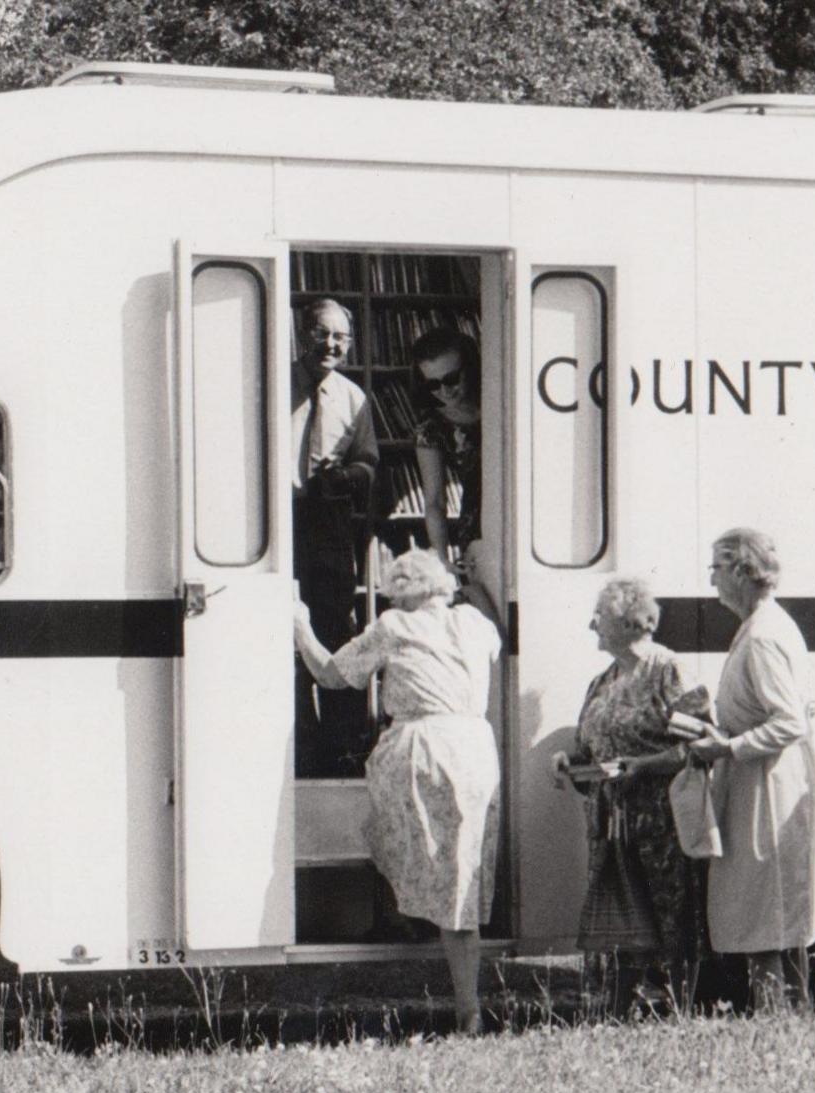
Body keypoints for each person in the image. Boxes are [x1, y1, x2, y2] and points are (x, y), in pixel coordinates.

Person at [293, 549, 502, 1034]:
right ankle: (462, 995)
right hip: (474, 749)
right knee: (461, 868)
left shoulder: (393, 626)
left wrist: (300, 624)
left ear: (399, 589)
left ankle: (405, 921)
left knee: (398, 840)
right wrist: (477, 586)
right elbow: (497, 632)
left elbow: (330, 674)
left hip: (423, 747)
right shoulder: (474, 620)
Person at [550, 577, 708, 1008]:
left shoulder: (668, 671)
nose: (590, 625)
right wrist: (570, 763)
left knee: (669, 912)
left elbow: (699, 743)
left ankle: (683, 1006)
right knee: (619, 912)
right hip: (610, 821)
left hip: (660, 816)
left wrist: (645, 767)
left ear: (627, 620)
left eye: (599, 617)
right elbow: (588, 745)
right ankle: (619, 1008)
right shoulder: (603, 680)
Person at [686, 528, 815, 1012]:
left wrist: (728, 746)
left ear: (743, 572)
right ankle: (787, 1010)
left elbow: (789, 719)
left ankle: (776, 1016)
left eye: (718, 569)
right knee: (768, 902)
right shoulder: (765, 626)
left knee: (763, 902)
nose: (712, 580)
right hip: (762, 778)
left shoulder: (763, 635)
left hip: (766, 782)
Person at [292, 298, 379, 777]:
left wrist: (345, 478)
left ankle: (340, 750)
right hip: (280, 519)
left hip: (327, 524)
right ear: (302, 334)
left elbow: (370, 464)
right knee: (280, 633)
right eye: (321, 334)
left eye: (340, 337)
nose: (331, 345)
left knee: (334, 634)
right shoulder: (274, 382)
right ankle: (298, 746)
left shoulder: (355, 398)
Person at [411, 328, 497, 621]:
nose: (445, 391)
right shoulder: (432, 427)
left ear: (470, 368)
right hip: (477, 528)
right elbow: (434, 500)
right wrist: (442, 560)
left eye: (451, 379)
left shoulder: (500, 402)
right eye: (433, 385)